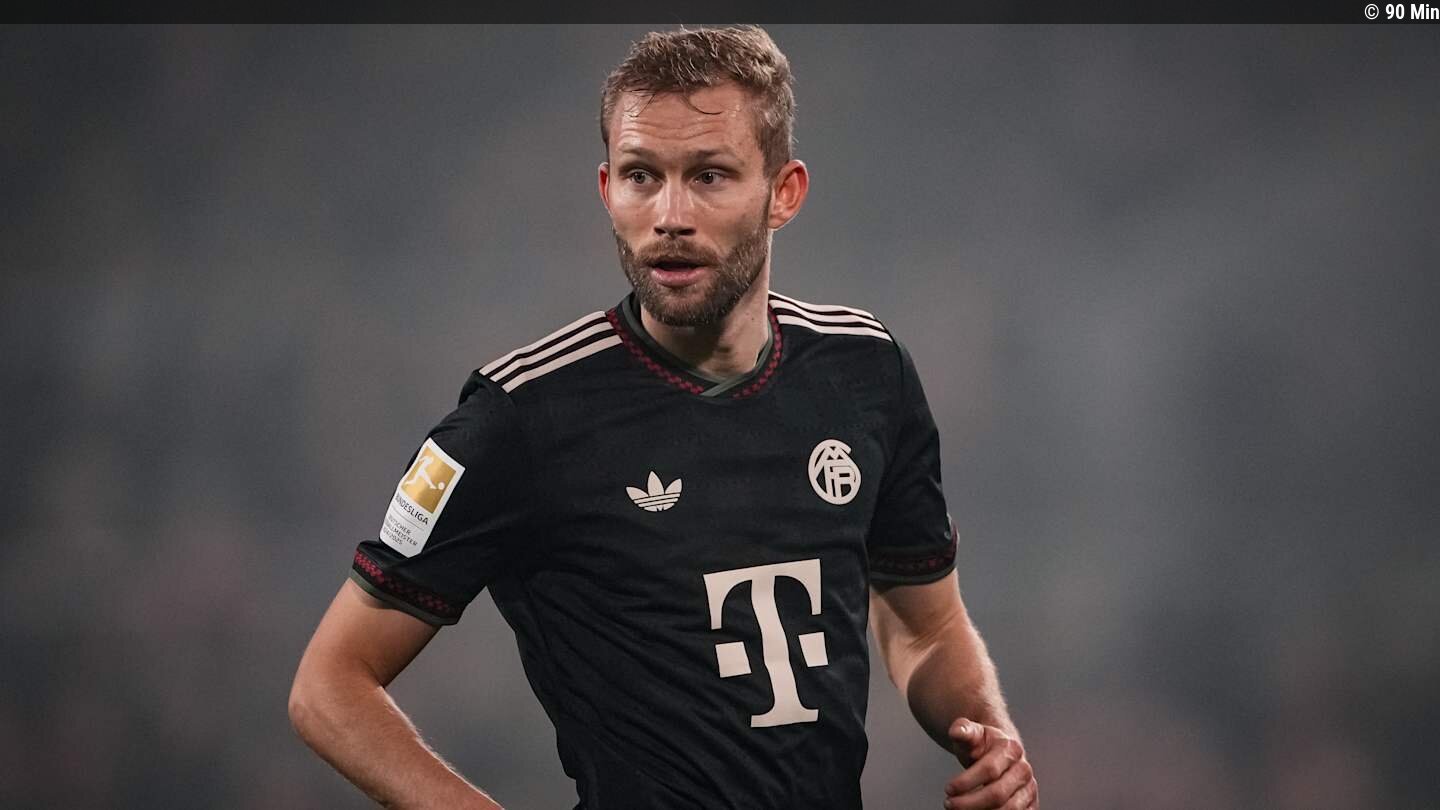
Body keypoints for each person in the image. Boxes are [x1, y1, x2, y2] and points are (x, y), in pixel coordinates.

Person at [289, 25, 1038, 810]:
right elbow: (328, 686)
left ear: (783, 192)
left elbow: (924, 630)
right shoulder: (521, 417)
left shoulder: (867, 371)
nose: (670, 215)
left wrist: (988, 734)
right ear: (607, 188)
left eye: (709, 176)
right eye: (642, 176)